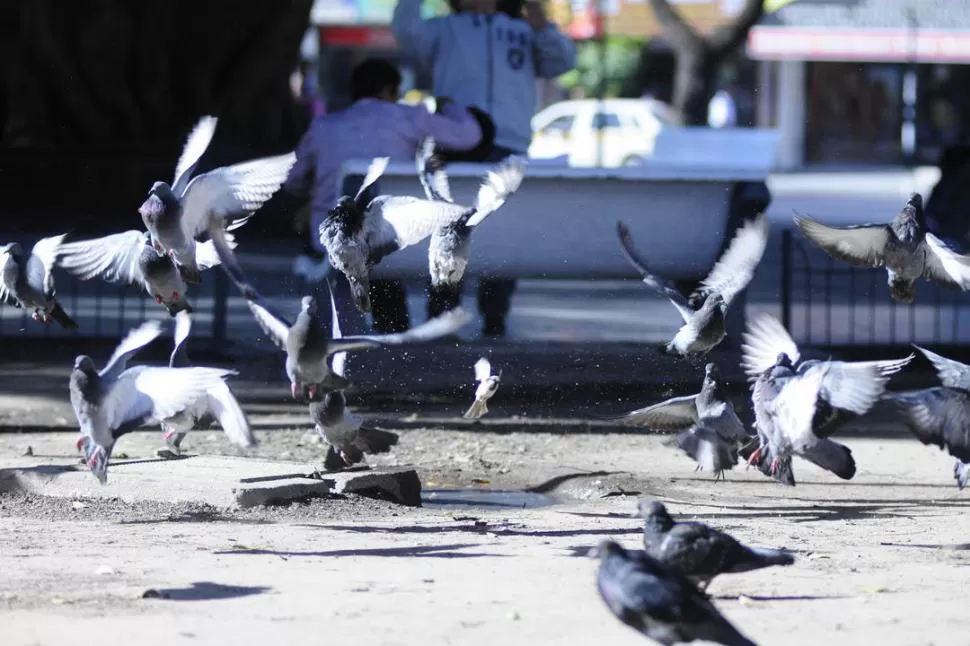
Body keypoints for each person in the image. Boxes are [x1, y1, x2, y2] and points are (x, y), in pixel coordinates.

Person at [392, 0, 576, 337]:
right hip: (458, 141)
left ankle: (495, 316)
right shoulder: (445, 28)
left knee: (503, 233)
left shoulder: (522, 30)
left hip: (510, 144)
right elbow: (406, 32)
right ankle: (443, 313)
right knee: (451, 230)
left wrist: (542, 26)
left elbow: (562, 61)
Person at [284, 58, 483, 334]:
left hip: (331, 248)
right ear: (388, 91)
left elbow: (292, 180)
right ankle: (395, 333)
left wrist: (312, 195)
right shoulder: (411, 118)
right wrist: (448, 105)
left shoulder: (324, 128)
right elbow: (470, 135)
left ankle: (338, 337)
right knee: (384, 257)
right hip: (391, 249)